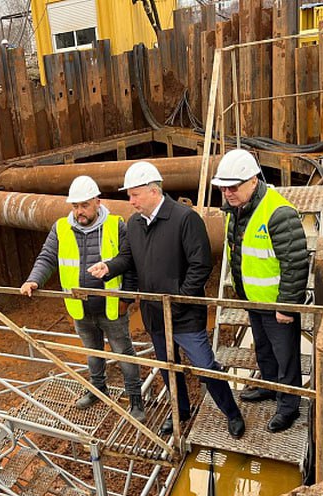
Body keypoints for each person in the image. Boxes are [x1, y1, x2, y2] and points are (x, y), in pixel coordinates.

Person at [88, 161, 245, 438]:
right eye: (130, 195)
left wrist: (181, 298)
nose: (130, 200)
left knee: (205, 366)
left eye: (134, 194)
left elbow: (201, 265)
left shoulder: (185, 219)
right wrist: (109, 267)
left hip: (184, 314)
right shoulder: (135, 223)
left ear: (153, 191)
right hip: (154, 313)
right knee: (167, 367)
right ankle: (180, 410)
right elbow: (128, 257)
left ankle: (231, 413)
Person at [20, 175, 146, 422]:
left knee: (124, 354)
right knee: (92, 352)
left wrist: (126, 301)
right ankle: (98, 390)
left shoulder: (115, 226)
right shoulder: (61, 229)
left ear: (97, 202)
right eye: (75, 206)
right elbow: (47, 257)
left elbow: (131, 265)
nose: (79, 211)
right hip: (80, 307)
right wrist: (34, 279)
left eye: (84, 205)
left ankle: (136, 401)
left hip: (111, 307)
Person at [212, 148, 309, 433]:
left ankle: (289, 405)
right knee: (264, 350)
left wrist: (286, 306)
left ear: (253, 181)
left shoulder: (278, 213)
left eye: (233, 187)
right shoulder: (235, 210)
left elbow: (295, 264)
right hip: (254, 301)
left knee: (286, 355)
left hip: (276, 304)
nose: (227, 193)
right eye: (223, 187)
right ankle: (268, 385)